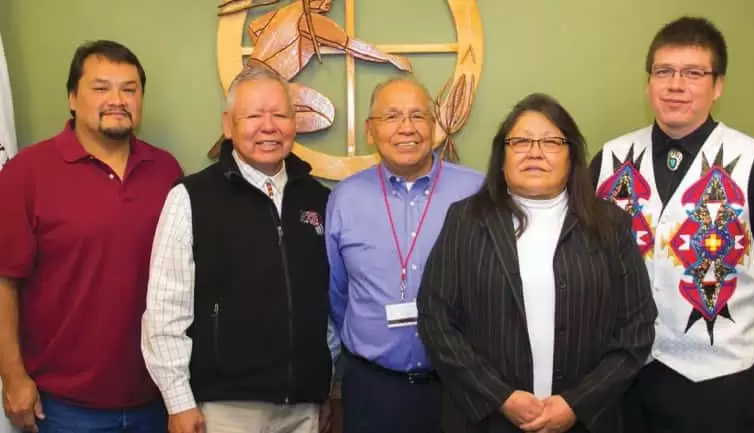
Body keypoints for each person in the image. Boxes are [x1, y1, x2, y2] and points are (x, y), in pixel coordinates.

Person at [590, 16, 754, 433]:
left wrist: (739, 336)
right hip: (622, 382)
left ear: (717, 85)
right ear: (649, 82)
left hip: (719, 388)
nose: (676, 85)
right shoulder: (610, 160)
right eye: (663, 71)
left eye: (693, 73)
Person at [417, 93, 657, 433]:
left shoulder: (609, 224)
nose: (535, 152)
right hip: (488, 420)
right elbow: (435, 319)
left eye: (551, 142)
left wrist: (577, 403)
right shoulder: (466, 220)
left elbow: (637, 327)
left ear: (572, 157)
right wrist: (500, 397)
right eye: (521, 142)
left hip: (585, 421)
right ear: (502, 158)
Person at [0, 40, 183, 433]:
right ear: (72, 98)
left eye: (129, 89)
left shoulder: (166, 171)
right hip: (61, 406)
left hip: (156, 399)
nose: (117, 100)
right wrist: (12, 377)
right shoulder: (26, 173)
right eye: (101, 88)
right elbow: (4, 282)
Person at [142, 66, 335, 433]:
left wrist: (322, 385)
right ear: (228, 125)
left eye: (280, 115)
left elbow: (325, 304)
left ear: (295, 123)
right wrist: (178, 401)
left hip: (301, 407)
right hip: (224, 409)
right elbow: (166, 309)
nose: (269, 126)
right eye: (254, 116)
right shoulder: (191, 198)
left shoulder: (318, 199)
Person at [326, 76, 484, 433]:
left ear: (434, 126)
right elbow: (337, 294)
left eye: (417, 116)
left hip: (458, 387)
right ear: (370, 131)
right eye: (392, 116)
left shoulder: (475, 191)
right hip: (373, 389)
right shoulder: (345, 198)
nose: (406, 127)